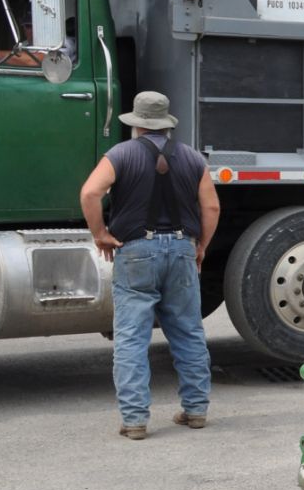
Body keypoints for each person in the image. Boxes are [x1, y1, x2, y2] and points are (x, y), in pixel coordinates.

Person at [79, 91, 221, 440]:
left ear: (136, 125)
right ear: (166, 124)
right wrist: (200, 245)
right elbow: (212, 208)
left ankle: (135, 420)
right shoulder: (192, 158)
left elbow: (90, 193)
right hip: (181, 249)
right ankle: (196, 410)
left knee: (131, 337)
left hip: (137, 250)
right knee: (188, 331)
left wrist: (100, 234)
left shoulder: (120, 154)